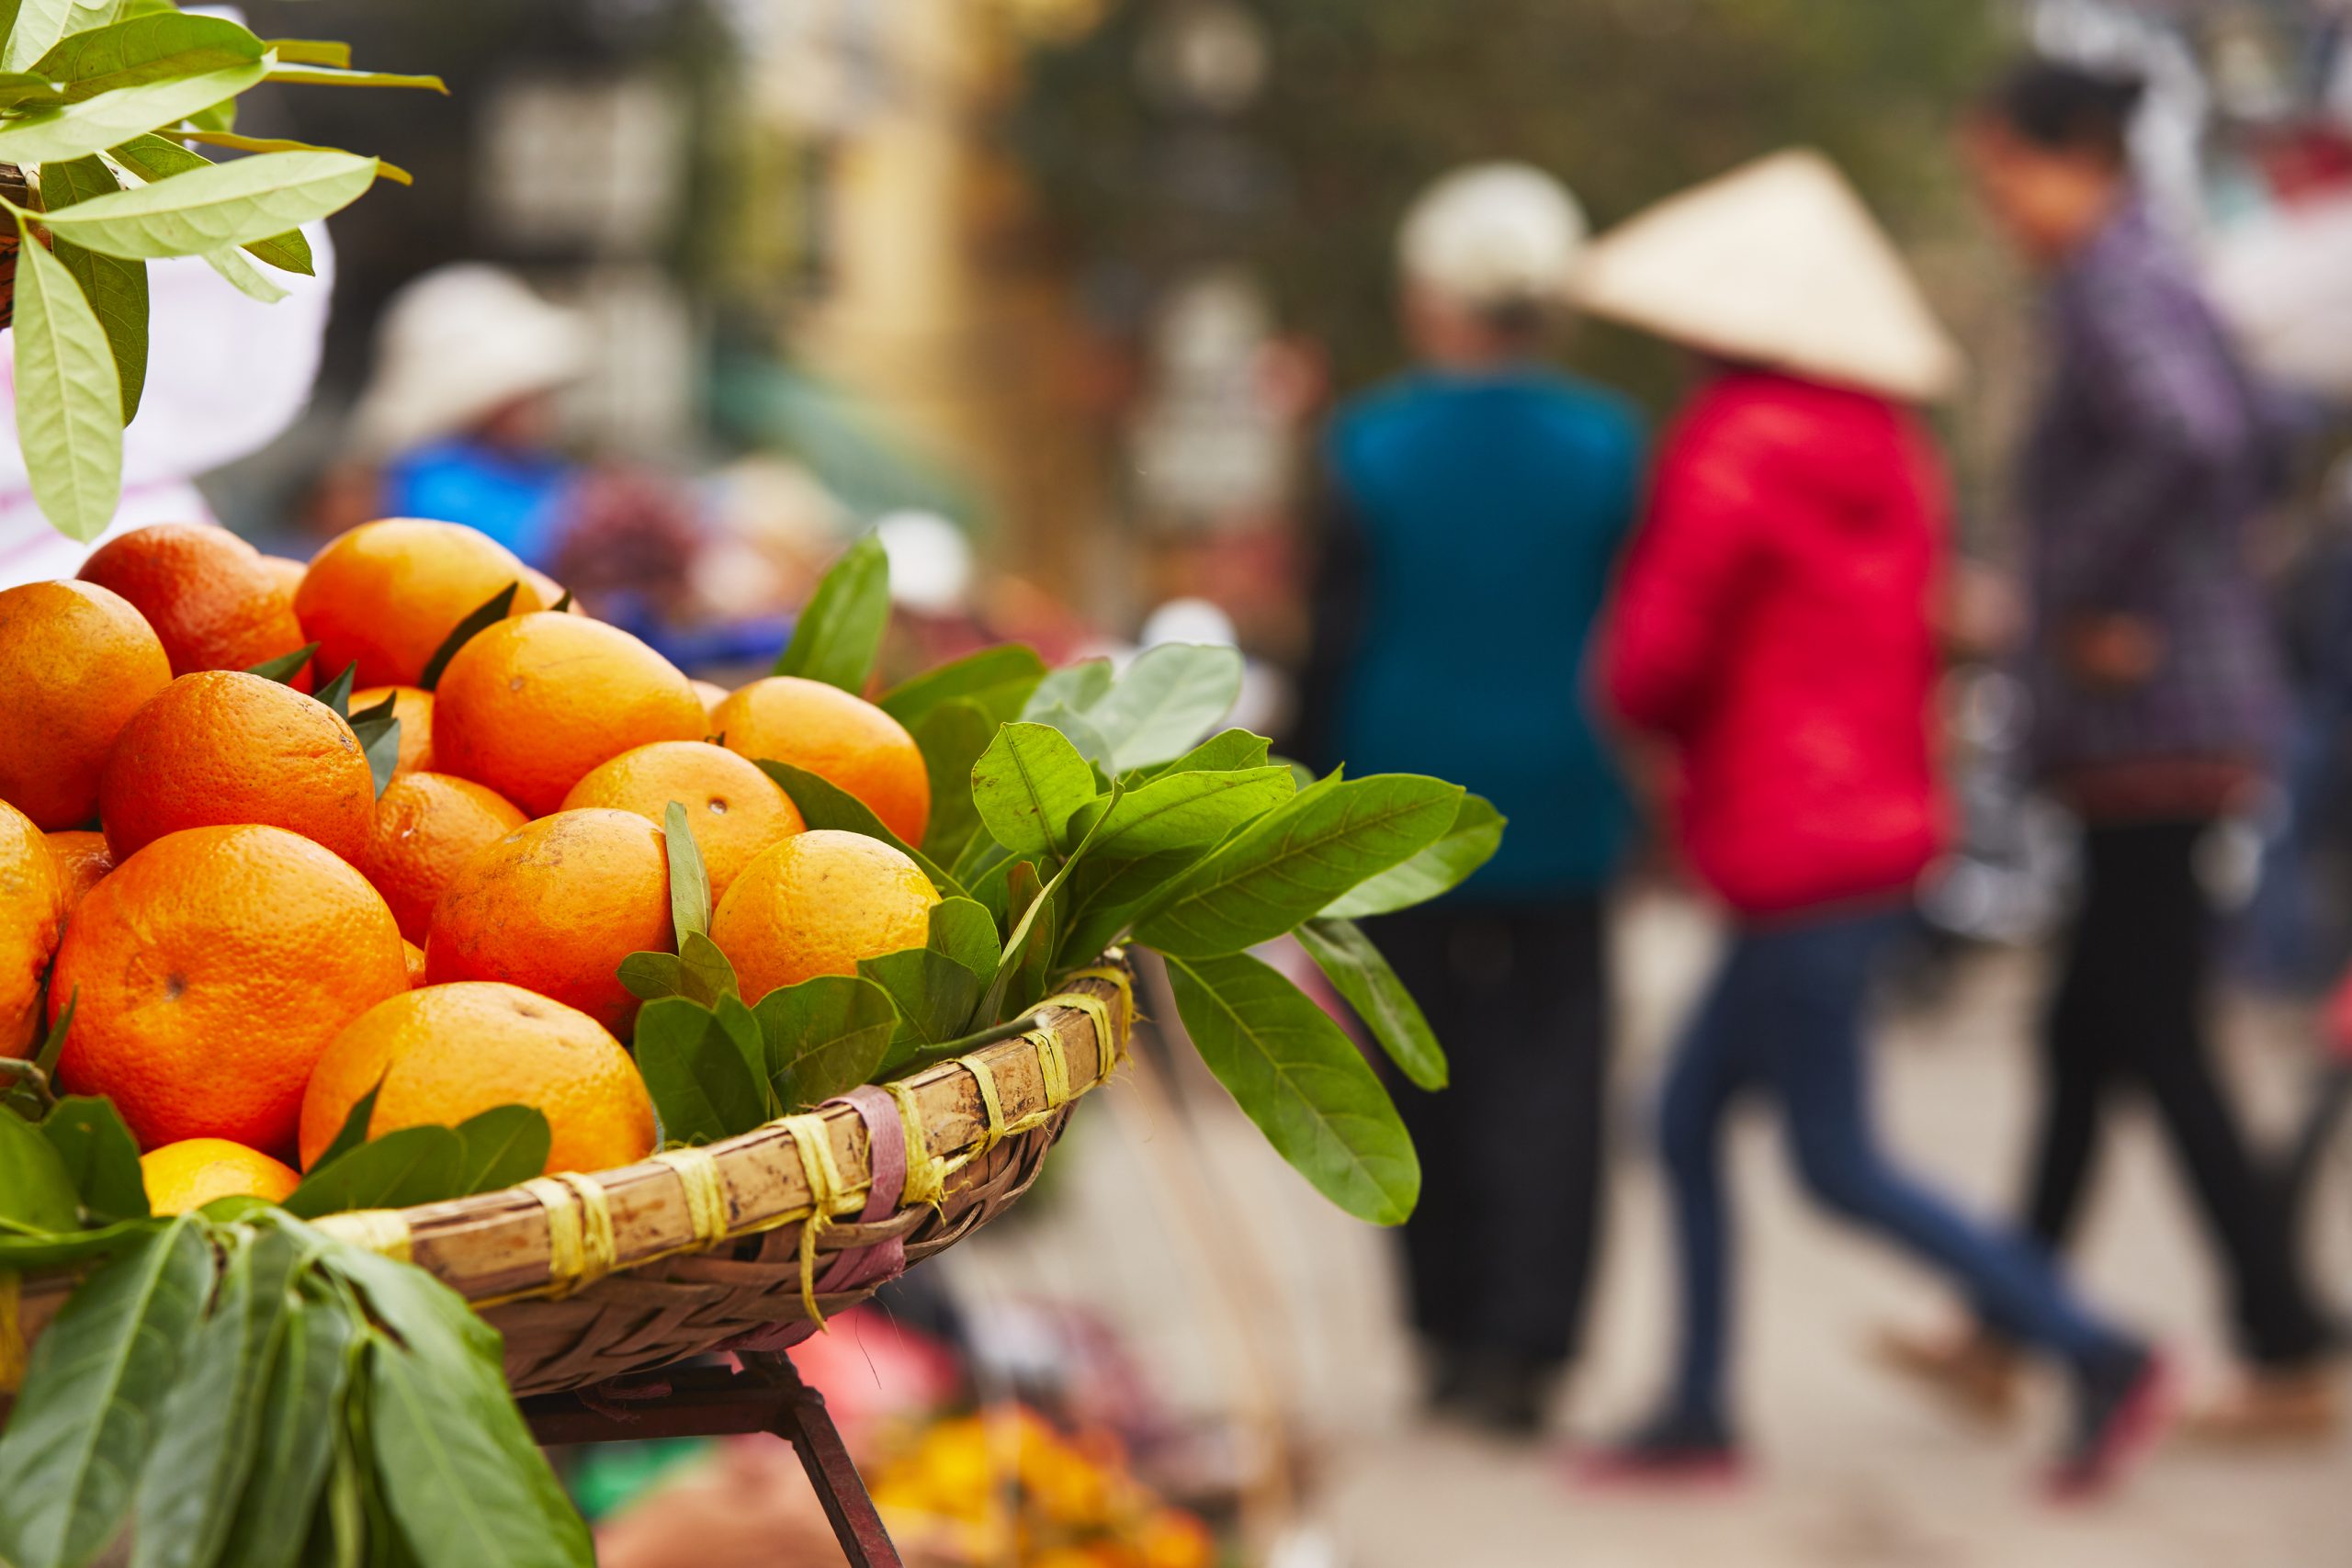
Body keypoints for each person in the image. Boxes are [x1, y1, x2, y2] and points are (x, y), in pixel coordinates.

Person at [1580, 149, 2165, 1493]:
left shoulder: (1730, 445)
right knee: (1684, 1121)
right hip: (1873, 830)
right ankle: (1698, 1406)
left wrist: (1631, 709)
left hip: (1787, 843)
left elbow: (1653, 663)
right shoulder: (1889, 454)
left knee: (1835, 1160)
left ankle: (2091, 1345)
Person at [1883, 59, 2339, 1443]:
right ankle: (2014, 1322)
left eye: (2001, 176)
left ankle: (2288, 1338)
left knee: (2148, 1032)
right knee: (2093, 1034)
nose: (1999, 206)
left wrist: (2083, 594)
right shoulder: (2166, 270)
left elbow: (2192, 433)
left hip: (2153, 718)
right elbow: (2265, 427)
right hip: (2180, 710)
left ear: (2073, 155)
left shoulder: (2109, 282)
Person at [1293, 163, 1644, 1436]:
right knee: (1556, 1080)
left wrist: (1296, 816)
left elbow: (1332, 645)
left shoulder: (1367, 445)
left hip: (1401, 812)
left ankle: (1443, 1332)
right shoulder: (1610, 445)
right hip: (1569, 796)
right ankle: (1531, 1349)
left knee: (1411, 1064)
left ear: (1434, 295)